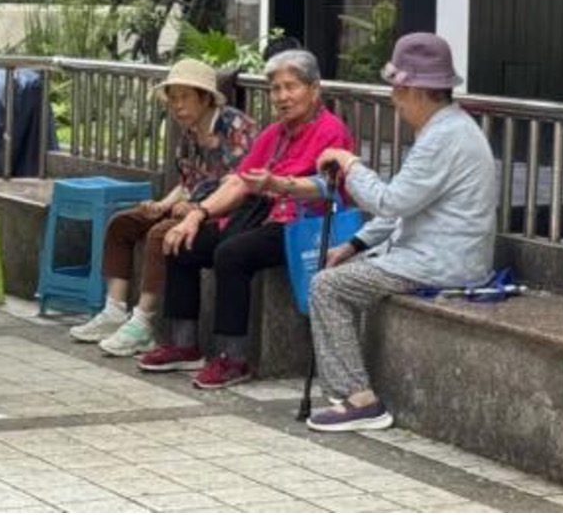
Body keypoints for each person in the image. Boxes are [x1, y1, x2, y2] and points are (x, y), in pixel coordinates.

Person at [308, 32, 497, 432]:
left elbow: (391, 202)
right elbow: (406, 204)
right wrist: (356, 243)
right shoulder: (448, 129)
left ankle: (359, 400)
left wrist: (349, 163)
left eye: (395, 89)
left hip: (439, 262)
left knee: (328, 286)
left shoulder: (443, 138)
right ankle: (351, 392)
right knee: (341, 275)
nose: (393, 100)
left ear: (412, 89)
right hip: (438, 255)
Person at [137, 48, 354, 389]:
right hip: (261, 217)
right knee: (181, 241)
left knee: (232, 254)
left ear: (314, 89)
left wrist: (279, 184)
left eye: (290, 87)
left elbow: (326, 186)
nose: (282, 97)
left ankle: (232, 358)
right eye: (276, 89)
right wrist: (197, 214)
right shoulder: (274, 133)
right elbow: (239, 180)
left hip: (303, 225)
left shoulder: (331, 130)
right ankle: (183, 343)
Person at [68, 58, 257, 356]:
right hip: (191, 205)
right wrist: (161, 204)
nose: (177, 106)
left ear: (205, 97)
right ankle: (114, 310)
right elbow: (186, 182)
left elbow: (238, 184)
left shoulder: (235, 127)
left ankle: (143, 323)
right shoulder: (189, 133)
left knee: (161, 235)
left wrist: (196, 208)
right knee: (122, 223)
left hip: (223, 211)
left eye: (184, 97)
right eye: (173, 98)